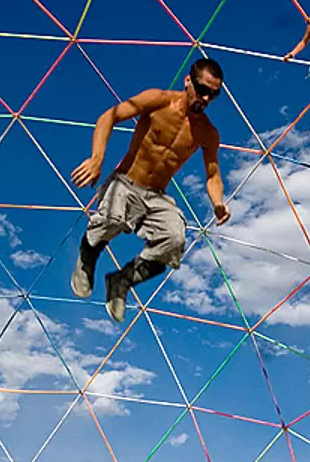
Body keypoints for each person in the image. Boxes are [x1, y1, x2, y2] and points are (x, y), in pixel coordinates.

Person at [70, 59, 231, 323]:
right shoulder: (157, 100)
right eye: (202, 89)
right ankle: (87, 261)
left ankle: (122, 281)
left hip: (156, 195)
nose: (205, 97)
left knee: (175, 239)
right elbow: (109, 116)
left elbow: (213, 174)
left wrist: (217, 202)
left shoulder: (208, 132)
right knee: (111, 219)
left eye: (213, 94)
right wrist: (97, 158)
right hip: (126, 182)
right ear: (188, 80)